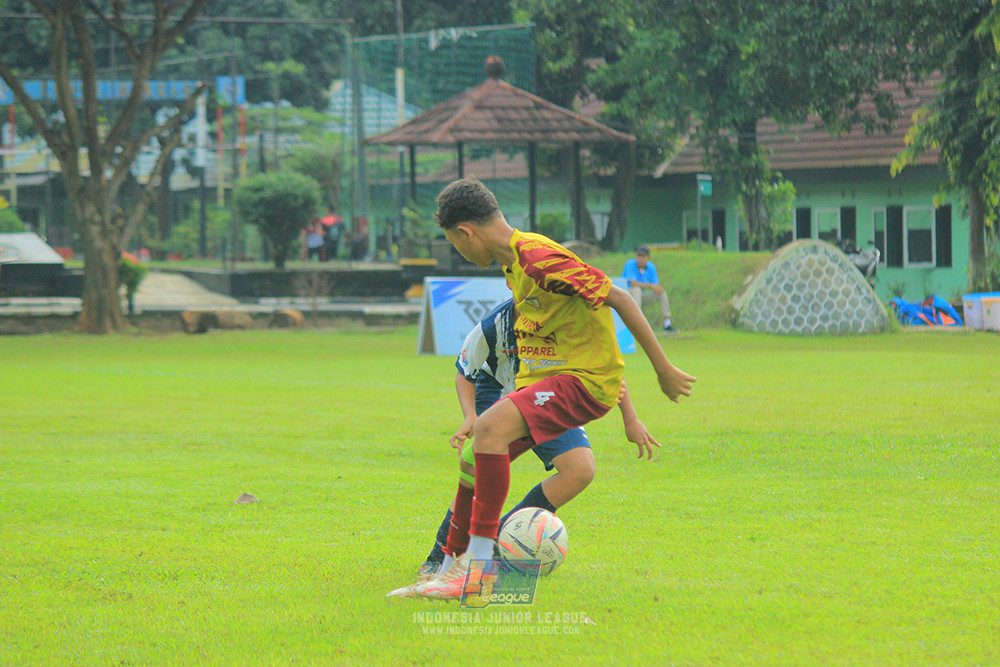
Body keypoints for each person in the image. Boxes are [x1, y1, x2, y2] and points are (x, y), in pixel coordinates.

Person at [388, 177, 696, 600]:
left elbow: (621, 298)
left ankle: (478, 573)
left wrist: (663, 369)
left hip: (584, 383)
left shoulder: (538, 257)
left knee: (493, 430)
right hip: (550, 382)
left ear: (466, 232)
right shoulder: (513, 265)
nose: (458, 253)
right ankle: (446, 569)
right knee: (474, 459)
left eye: (454, 244)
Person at [404, 298, 659, 585]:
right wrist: (470, 415)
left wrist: (630, 420)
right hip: (500, 396)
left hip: (551, 397)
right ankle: (438, 558)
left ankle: (498, 546)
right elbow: (465, 373)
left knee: (580, 470)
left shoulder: (571, 320)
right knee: (478, 473)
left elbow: (607, 374)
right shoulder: (495, 325)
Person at [623, 244, 677, 334]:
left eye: (643, 256)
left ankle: (667, 324)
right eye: (639, 256)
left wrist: (657, 288)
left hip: (639, 298)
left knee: (661, 293)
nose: (640, 258)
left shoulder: (651, 267)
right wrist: (649, 285)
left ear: (648, 257)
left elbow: (655, 285)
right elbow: (632, 283)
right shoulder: (630, 264)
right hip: (627, 296)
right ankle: (637, 323)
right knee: (637, 289)